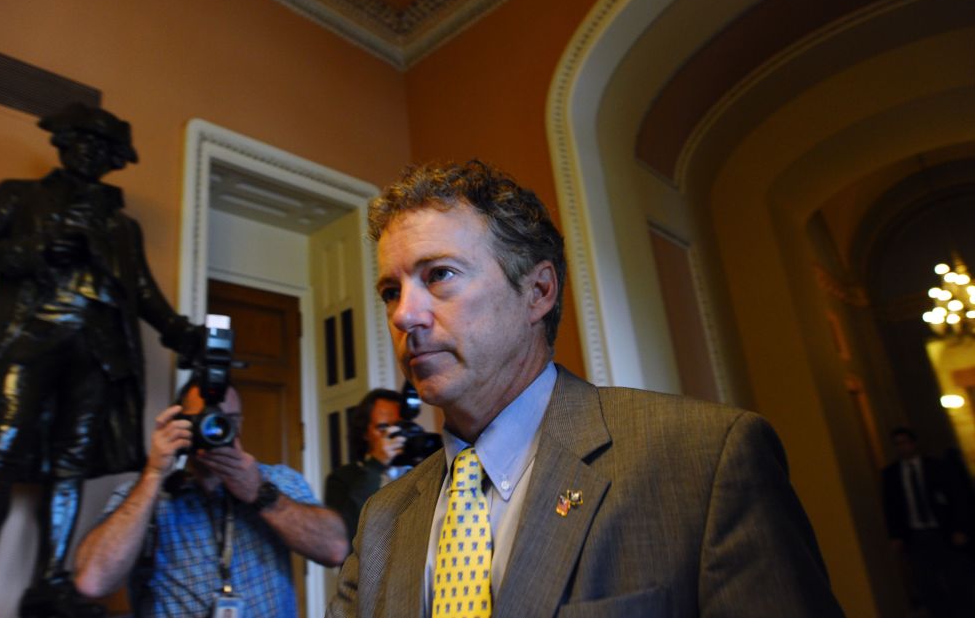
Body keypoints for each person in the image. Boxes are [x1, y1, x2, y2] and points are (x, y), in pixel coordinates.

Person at [326, 160, 844, 617]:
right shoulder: (383, 518)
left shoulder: (705, 459)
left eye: (438, 275)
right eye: (391, 291)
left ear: (538, 291)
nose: (404, 315)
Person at [0, 103, 201, 617]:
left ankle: (53, 581)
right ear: (62, 143)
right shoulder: (19, 195)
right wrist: (32, 250)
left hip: (99, 352)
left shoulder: (123, 228)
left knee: (71, 466)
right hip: (27, 340)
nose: (91, 153)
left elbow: (143, 293)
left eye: (104, 149)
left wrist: (182, 333)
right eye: (82, 141)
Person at [74, 385, 349, 617]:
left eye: (226, 420)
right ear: (179, 424)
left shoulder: (276, 480)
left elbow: (335, 549)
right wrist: (154, 474)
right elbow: (92, 581)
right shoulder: (146, 492)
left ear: (239, 424)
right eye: (203, 419)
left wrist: (260, 494)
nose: (214, 430)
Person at [881, 427, 974, 617]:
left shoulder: (937, 467)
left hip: (942, 530)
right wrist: (896, 535)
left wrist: (959, 528)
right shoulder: (891, 474)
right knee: (926, 582)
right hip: (915, 534)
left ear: (913, 443)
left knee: (956, 577)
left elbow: (957, 498)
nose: (902, 448)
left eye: (905, 443)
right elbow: (891, 506)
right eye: (898, 444)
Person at [325, 389, 409, 545]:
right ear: (365, 432)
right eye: (382, 428)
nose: (392, 435)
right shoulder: (341, 478)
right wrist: (376, 464)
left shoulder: (418, 471)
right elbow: (344, 539)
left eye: (398, 427)